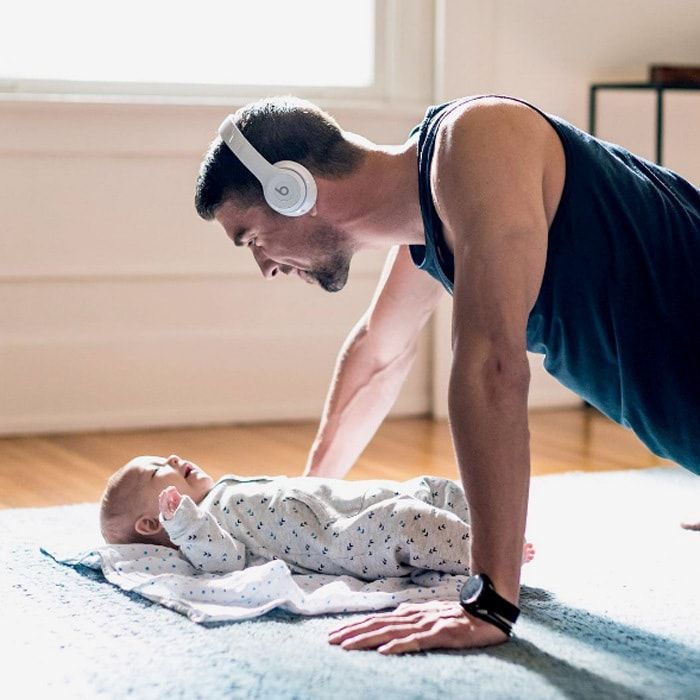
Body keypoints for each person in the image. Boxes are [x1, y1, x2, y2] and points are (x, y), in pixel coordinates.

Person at [193, 94, 700, 654]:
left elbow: (492, 365)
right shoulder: (433, 215)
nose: (264, 267)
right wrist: (305, 507)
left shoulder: (480, 138)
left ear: (291, 188)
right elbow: (378, 354)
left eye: (252, 238)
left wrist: (489, 598)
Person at [99, 453, 536, 578]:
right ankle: (488, 553)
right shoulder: (200, 530)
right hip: (339, 538)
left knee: (435, 490)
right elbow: (224, 560)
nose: (174, 457)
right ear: (152, 524)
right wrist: (186, 524)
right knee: (404, 520)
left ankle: (488, 529)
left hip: (348, 500)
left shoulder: (223, 490)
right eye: (159, 468)